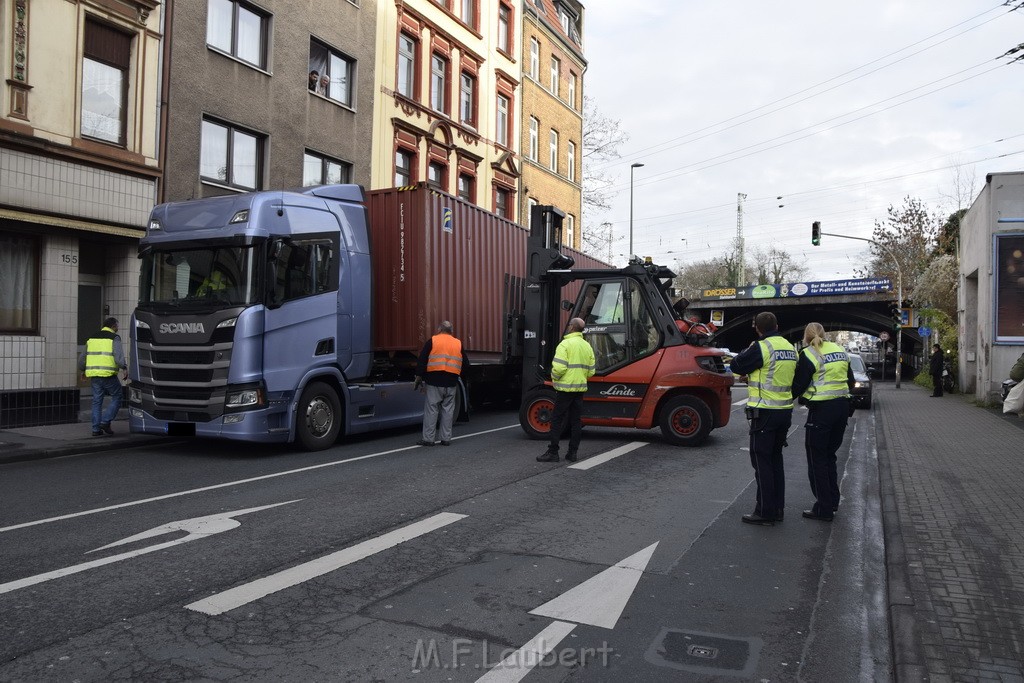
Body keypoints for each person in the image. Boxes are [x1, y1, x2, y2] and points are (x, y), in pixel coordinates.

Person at [729, 311, 797, 526]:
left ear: (757, 328)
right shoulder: (789, 347)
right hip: (784, 410)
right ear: (777, 324)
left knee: (762, 463)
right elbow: (774, 373)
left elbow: (736, 365)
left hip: (765, 412)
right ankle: (777, 509)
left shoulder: (761, 347)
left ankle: (765, 511)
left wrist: (750, 348)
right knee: (776, 460)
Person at [791, 323, 855, 522]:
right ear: (824, 334)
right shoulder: (840, 350)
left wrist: (799, 397)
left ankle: (823, 508)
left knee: (816, 459)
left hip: (821, 412)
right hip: (841, 409)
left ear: (806, 336)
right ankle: (833, 500)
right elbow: (851, 381)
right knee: (829, 456)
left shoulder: (808, 353)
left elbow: (799, 386)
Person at [537, 318, 596, 463]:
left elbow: (559, 368)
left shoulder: (565, 344)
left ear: (572, 327)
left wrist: (554, 378)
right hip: (579, 388)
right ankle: (572, 453)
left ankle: (553, 452)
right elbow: (591, 371)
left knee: (557, 419)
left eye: (570, 324)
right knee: (576, 421)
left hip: (565, 389)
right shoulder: (587, 346)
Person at [415, 321, 468, 447]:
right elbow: (466, 364)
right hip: (451, 382)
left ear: (439, 329)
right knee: (448, 410)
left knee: (432, 409)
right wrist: (457, 375)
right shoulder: (458, 343)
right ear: (451, 331)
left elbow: (422, 359)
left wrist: (419, 376)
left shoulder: (433, 341)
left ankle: (428, 439)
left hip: (434, 381)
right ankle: (446, 439)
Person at [79, 317, 127, 436]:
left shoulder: (92, 338)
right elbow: (118, 357)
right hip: (108, 375)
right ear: (113, 326)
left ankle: (96, 429)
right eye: (117, 326)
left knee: (97, 401)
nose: (118, 328)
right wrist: (124, 368)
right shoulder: (114, 338)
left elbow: (82, 358)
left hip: (94, 376)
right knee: (117, 396)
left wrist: (83, 370)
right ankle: (105, 421)